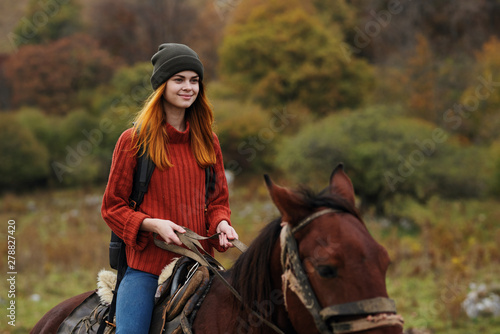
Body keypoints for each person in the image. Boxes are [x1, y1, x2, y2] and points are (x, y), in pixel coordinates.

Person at [101, 43, 238, 334]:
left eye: (194, 80)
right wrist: (152, 224)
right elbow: (112, 208)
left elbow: (216, 202)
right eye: (179, 79)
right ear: (162, 85)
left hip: (200, 265)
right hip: (147, 268)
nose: (188, 87)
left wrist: (223, 224)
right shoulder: (133, 141)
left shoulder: (208, 141)